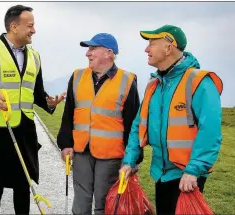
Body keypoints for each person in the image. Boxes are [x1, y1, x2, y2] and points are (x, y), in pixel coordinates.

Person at [0, 5, 65, 214]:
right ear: (14, 26)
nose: (34, 30)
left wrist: (49, 102)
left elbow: (36, 92)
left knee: (24, 187)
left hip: (25, 132)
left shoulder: (35, 56)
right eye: (30, 26)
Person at [119, 24, 223, 215]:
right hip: (161, 174)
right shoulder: (154, 84)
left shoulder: (199, 81)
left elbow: (210, 131)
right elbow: (138, 126)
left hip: (187, 175)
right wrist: (129, 161)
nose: (146, 49)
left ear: (169, 47)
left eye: (152, 43)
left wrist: (193, 170)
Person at [56, 33, 143, 215]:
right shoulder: (77, 76)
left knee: (104, 204)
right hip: (81, 152)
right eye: (88, 49)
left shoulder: (127, 81)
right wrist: (65, 144)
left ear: (108, 53)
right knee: (81, 203)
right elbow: (68, 113)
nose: (88, 53)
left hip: (110, 156)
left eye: (93, 49)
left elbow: (134, 124)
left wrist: (132, 159)